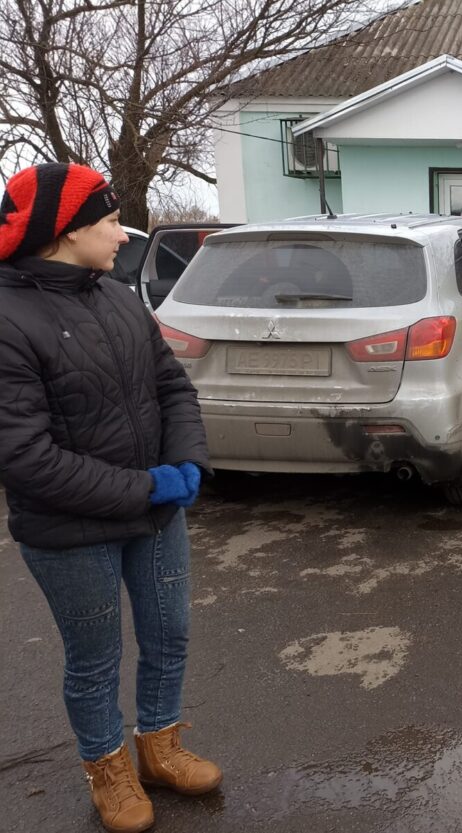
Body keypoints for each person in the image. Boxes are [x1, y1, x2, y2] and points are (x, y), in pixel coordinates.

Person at [0, 163, 220, 833]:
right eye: (106, 222)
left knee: (169, 634)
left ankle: (160, 748)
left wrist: (186, 460)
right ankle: (109, 769)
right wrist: (148, 484)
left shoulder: (120, 297)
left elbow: (171, 385)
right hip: (69, 530)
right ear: (66, 232)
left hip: (153, 515)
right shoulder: (9, 318)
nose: (122, 236)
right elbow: (23, 455)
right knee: (95, 658)